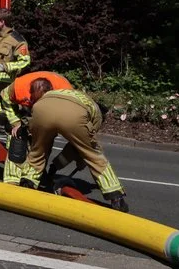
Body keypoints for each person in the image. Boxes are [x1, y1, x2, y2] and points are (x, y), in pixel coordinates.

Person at [21, 77, 129, 212]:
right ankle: (116, 196)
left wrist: (55, 166)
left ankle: (28, 183)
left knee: (38, 150)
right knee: (94, 156)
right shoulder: (96, 113)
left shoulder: (62, 92)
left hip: (42, 109)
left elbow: (70, 146)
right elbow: (80, 147)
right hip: (74, 115)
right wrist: (81, 159)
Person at [0, 71, 72, 185]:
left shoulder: (65, 95)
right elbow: (5, 97)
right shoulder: (19, 88)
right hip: (26, 110)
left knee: (43, 143)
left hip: (51, 115)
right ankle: (12, 179)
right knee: (17, 137)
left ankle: (30, 180)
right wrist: (16, 123)